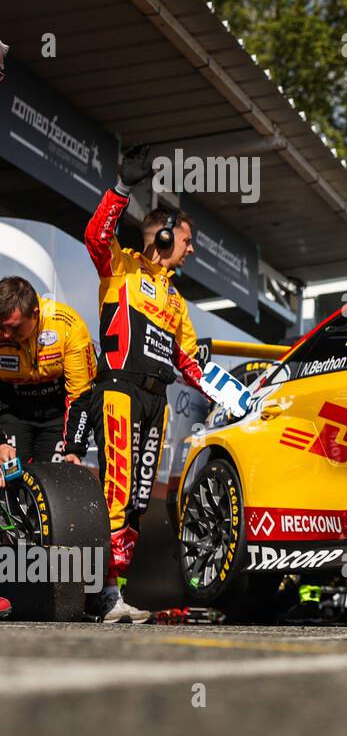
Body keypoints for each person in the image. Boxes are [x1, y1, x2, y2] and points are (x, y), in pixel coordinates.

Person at [70, 145, 215, 622]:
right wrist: (120, 188)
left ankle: (121, 593)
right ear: (167, 236)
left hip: (158, 403)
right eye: (187, 241)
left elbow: (190, 361)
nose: (191, 250)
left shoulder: (177, 302)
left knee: (135, 499)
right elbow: (95, 234)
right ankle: (103, 593)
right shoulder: (121, 266)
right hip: (118, 392)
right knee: (115, 489)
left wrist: (232, 393)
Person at [0, 277, 97, 465]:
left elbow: (80, 394)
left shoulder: (68, 326)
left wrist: (74, 448)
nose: (6, 335)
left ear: (35, 314)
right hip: (12, 410)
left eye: (14, 328)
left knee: (54, 479)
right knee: (9, 474)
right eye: (1, 327)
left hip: (56, 416)